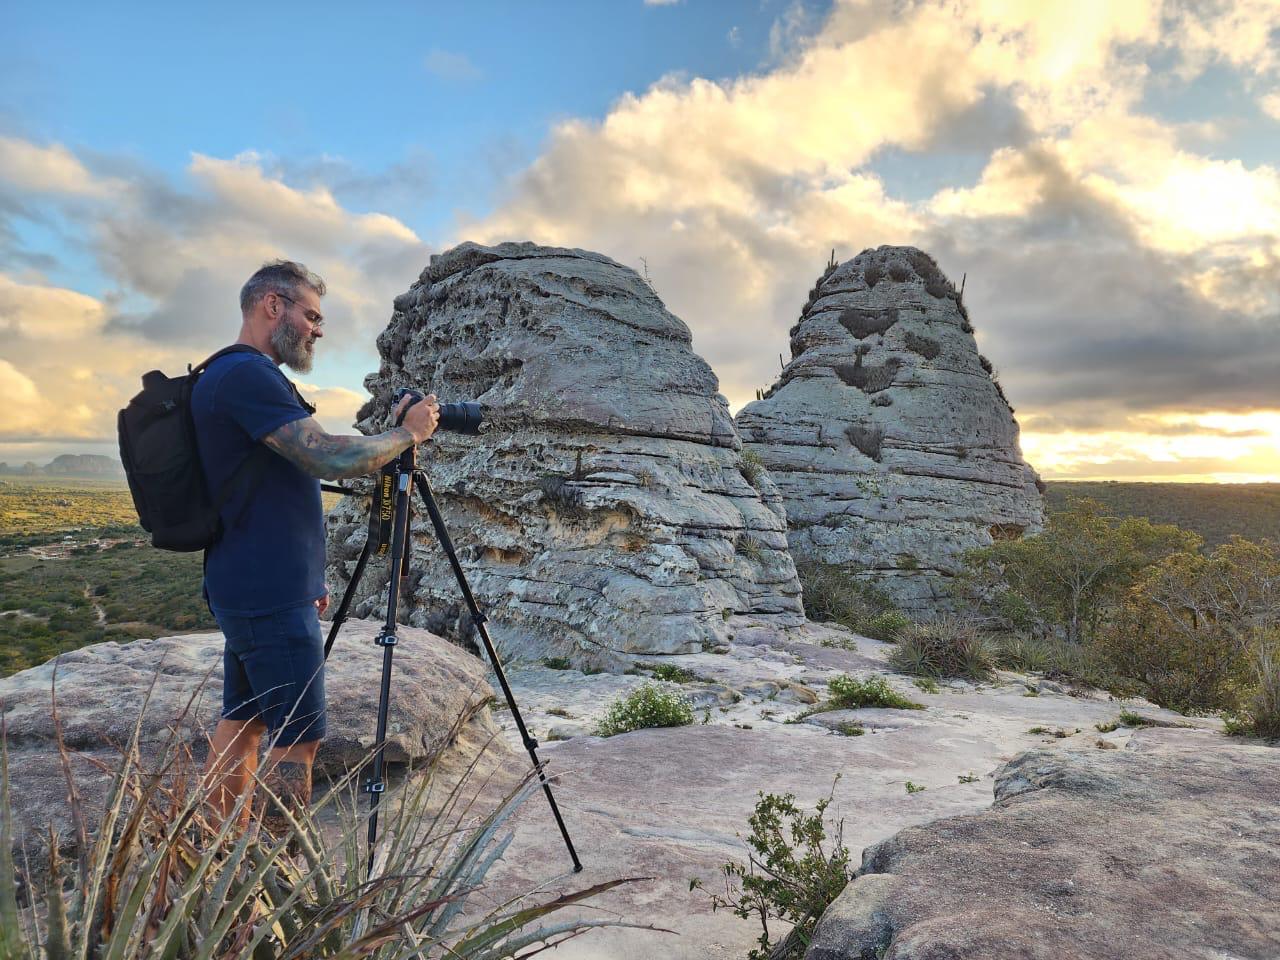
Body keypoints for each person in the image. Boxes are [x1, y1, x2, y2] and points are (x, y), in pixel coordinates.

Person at [194, 259, 439, 831]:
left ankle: (210, 851)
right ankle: (274, 882)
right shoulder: (246, 376)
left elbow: (278, 483)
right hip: (266, 589)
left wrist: (312, 580)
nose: (317, 329)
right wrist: (408, 433)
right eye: (312, 315)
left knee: (247, 720)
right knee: (298, 740)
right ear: (272, 305)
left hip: (262, 583)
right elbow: (326, 456)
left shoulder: (236, 375)